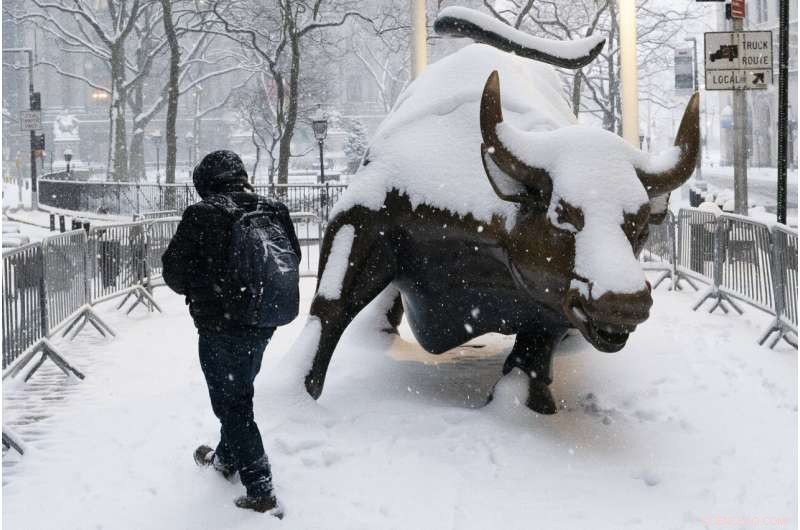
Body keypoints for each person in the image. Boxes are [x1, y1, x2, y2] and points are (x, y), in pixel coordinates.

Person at [162, 150, 300, 517]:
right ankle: (226, 459)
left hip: (221, 326)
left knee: (232, 403)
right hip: (264, 320)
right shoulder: (273, 209)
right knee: (238, 392)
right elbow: (292, 259)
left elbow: (173, 274)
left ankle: (261, 489)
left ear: (205, 183)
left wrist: (210, 286)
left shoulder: (203, 214)